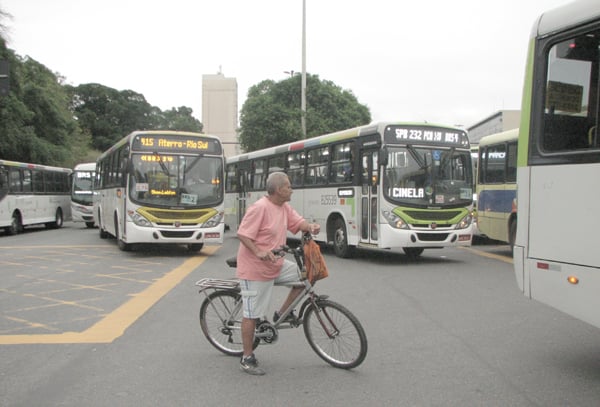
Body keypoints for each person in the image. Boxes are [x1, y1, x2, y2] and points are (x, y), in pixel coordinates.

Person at [236, 171, 320, 375]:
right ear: (279, 189)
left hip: (277, 264)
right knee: (252, 315)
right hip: (255, 269)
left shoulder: (283, 207)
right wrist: (259, 252)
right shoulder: (260, 208)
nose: (292, 189)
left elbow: (297, 223)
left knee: (306, 277)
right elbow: (243, 234)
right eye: (289, 186)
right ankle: (247, 357)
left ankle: (282, 313)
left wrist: (310, 226)